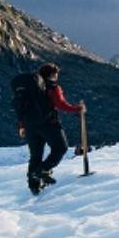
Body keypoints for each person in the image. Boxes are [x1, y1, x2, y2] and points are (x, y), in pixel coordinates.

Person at [18, 62, 85, 195]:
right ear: (53, 74)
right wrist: (78, 108)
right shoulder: (52, 87)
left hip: (30, 126)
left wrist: (22, 126)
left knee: (35, 155)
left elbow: (22, 108)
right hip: (48, 124)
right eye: (56, 74)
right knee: (61, 147)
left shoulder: (29, 90)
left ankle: (34, 186)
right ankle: (43, 170)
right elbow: (61, 105)